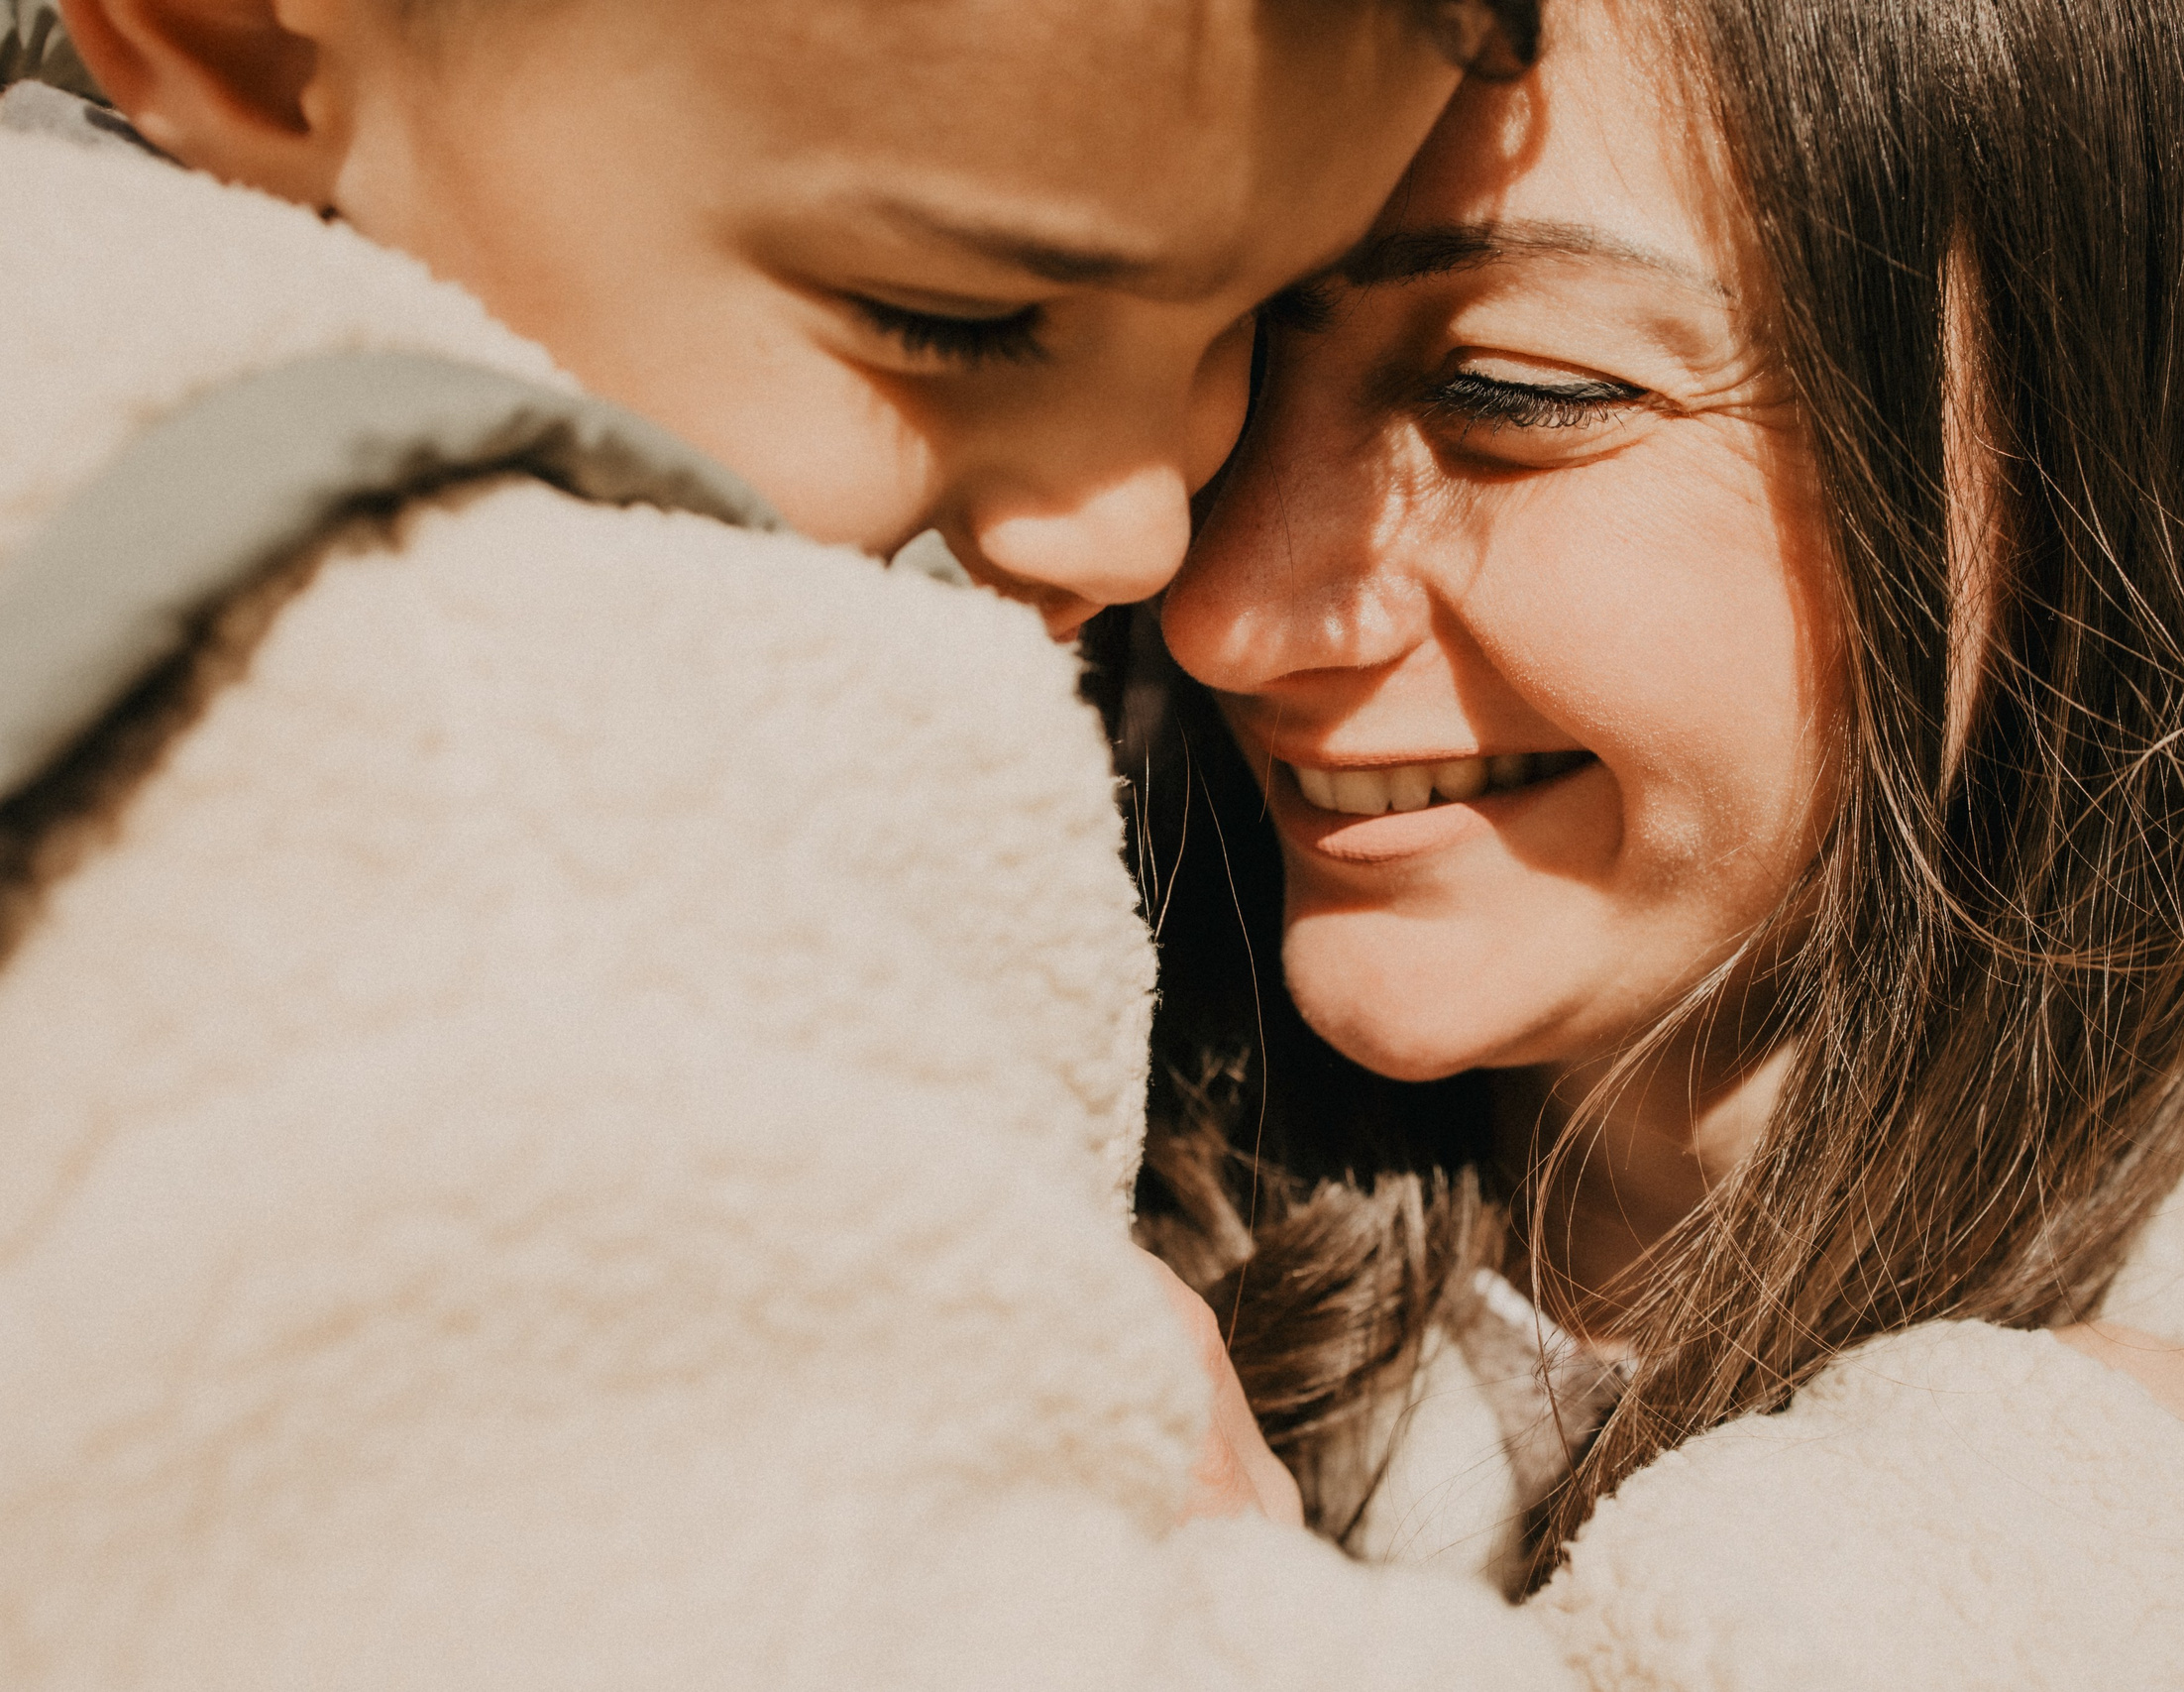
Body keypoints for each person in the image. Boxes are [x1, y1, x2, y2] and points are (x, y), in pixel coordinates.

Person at [0, 2, 1592, 1686]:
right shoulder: (495, 796)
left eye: (1249, 319)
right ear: (242, 42)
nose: (1145, 534)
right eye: (952, 319)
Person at [1132, 0, 2184, 1680]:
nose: (1221, 611)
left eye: (1517, 392)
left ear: (2135, 397)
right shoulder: (978, 1090)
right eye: (1228, 351)